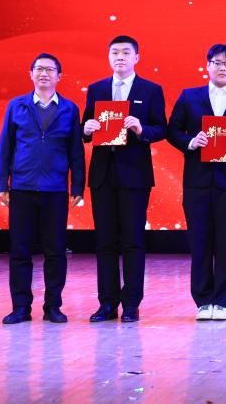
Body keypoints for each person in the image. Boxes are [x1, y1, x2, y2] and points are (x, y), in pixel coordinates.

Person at [167, 43, 226, 321]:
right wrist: (191, 141)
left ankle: (221, 302)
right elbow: (172, 131)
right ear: (207, 65)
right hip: (197, 181)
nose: (222, 67)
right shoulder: (189, 97)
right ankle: (202, 300)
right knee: (199, 241)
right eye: (217, 63)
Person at [82, 35, 167, 323]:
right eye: (115, 52)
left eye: (126, 52)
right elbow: (84, 127)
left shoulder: (151, 89)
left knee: (133, 241)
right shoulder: (96, 89)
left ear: (136, 58)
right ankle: (107, 303)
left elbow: (161, 128)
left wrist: (142, 129)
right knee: (104, 241)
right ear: (108, 57)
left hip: (135, 175)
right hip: (102, 175)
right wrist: (86, 129)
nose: (120, 57)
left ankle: (131, 304)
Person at [0, 53, 85, 324]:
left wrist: (77, 186)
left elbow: (76, 151)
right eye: (39, 69)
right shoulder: (17, 105)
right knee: (20, 251)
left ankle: (53, 307)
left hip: (55, 190)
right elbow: (5, 146)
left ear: (59, 76)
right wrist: (1, 183)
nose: (44, 73)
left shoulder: (69, 109)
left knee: (55, 251)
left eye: (50, 70)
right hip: (22, 187)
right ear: (31, 74)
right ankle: (20, 308)